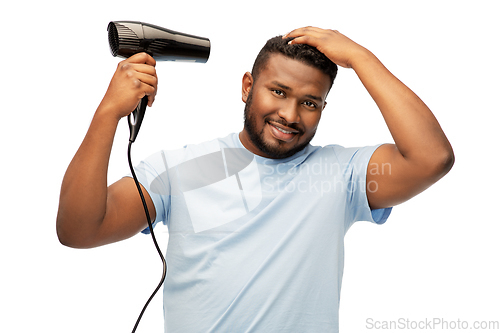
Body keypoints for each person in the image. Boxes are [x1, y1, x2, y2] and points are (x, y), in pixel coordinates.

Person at [57, 27, 454, 332]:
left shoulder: (342, 175)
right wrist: (107, 113)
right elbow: (79, 229)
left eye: (310, 102)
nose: (291, 114)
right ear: (248, 87)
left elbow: (431, 158)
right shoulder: (182, 169)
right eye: (278, 91)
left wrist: (359, 57)